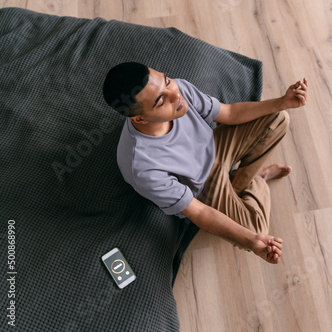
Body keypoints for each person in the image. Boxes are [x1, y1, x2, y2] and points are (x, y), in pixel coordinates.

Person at [102, 62, 308, 264]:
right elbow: (199, 211)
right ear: (139, 119)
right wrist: (252, 240)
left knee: (278, 117)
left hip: (216, 145)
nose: (175, 95)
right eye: (160, 101)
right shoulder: (141, 166)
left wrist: (282, 101)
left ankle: (244, 181)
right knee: (257, 232)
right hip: (204, 185)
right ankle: (256, 180)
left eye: (166, 81)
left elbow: (229, 113)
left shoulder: (178, 90)